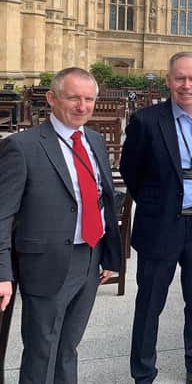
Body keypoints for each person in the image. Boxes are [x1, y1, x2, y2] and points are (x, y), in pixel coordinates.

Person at [0, 67, 121, 383]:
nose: (82, 106)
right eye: (73, 98)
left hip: (90, 258)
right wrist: (2, 274)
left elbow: (102, 199)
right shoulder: (23, 147)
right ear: (52, 99)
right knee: (42, 350)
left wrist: (108, 254)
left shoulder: (93, 140)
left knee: (69, 346)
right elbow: (3, 215)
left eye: (89, 99)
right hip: (46, 264)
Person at [120, 52, 192, 384]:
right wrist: (158, 204)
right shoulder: (146, 121)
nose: (186, 85)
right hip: (160, 227)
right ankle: (143, 373)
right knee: (150, 304)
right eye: (179, 78)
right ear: (168, 81)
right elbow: (131, 172)